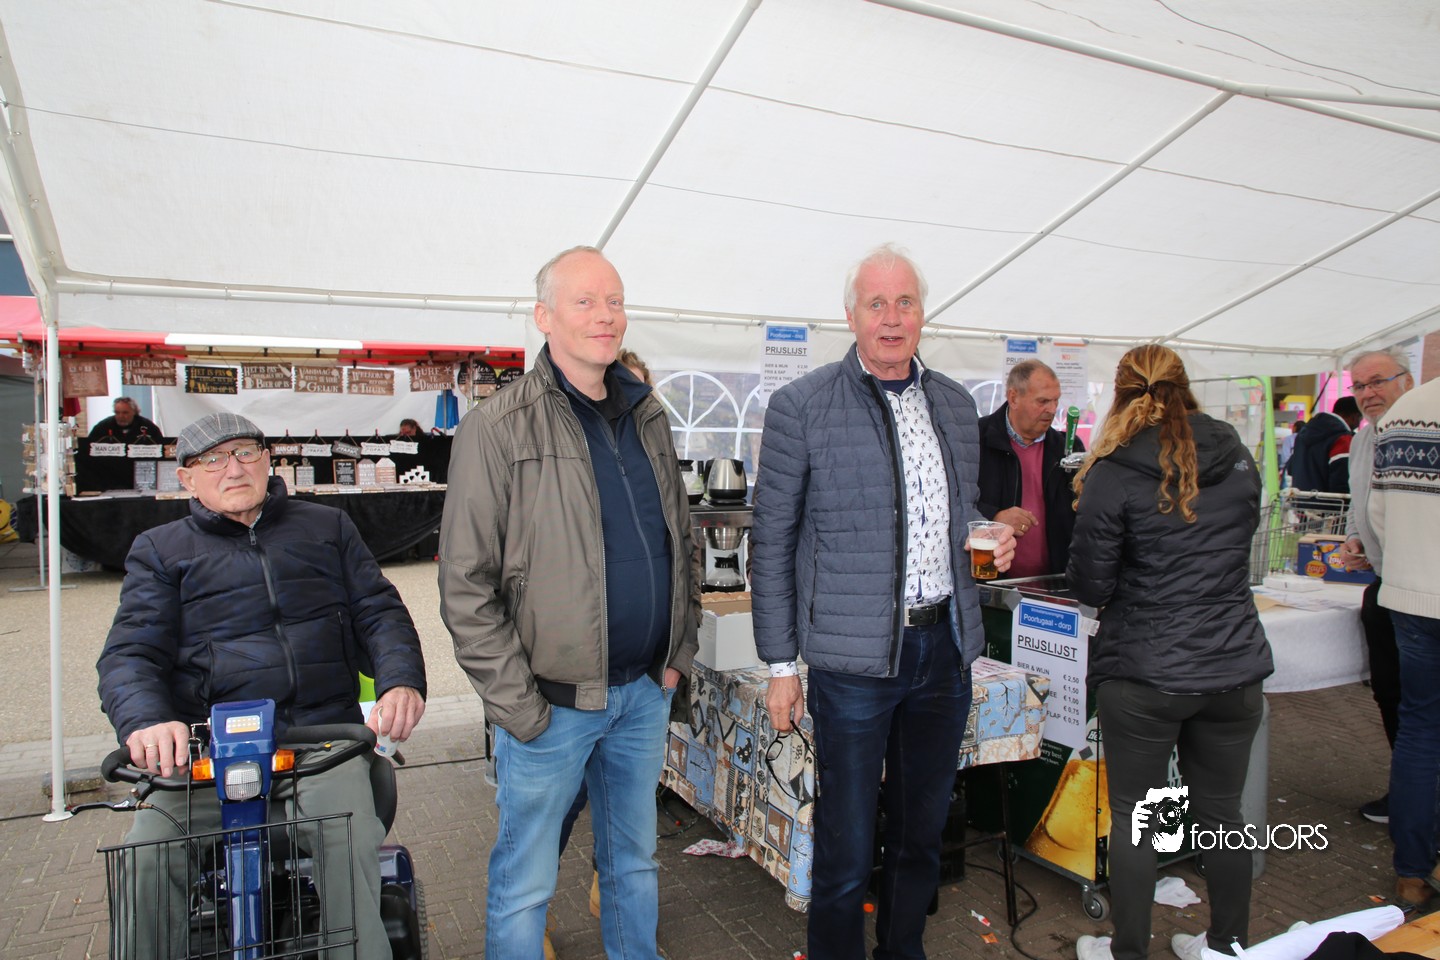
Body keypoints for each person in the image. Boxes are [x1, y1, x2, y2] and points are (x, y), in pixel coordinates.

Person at [751, 243, 1015, 960]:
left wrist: (987, 533)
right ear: (851, 316)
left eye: (905, 303)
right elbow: (771, 540)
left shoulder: (955, 404)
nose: (892, 319)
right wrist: (780, 664)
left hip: (943, 653)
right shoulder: (803, 406)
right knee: (846, 846)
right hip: (852, 663)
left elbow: (957, 512)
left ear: (923, 314)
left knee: (920, 835)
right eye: (877, 304)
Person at [439, 246, 698, 960]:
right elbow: (465, 584)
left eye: (614, 301)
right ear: (544, 317)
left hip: (643, 694)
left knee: (633, 864)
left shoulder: (649, 416)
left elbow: (682, 541)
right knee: (525, 885)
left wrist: (676, 655)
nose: (605, 315)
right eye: (584, 301)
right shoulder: (499, 426)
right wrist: (519, 706)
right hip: (550, 707)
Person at [96, 412, 428, 960]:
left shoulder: (328, 526)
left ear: (268, 459)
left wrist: (400, 682)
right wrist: (147, 721)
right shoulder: (159, 550)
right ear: (186, 479)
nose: (233, 469)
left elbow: (379, 613)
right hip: (209, 754)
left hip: (321, 741)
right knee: (148, 852)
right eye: (213, 459)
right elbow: (130, 653)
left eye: (245, 452)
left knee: (346, 837)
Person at [1066, 345, 1272, 960]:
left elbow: (1090, 585)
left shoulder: (1113, 469)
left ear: (1122, 394)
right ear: (1185, 387)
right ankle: (1226, 946)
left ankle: (1128, 951)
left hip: (1146, 670)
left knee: (1136, 817)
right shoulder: (1237, 455)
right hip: (1232, 667)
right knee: (1222, 814)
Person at [1332, 349, 1415, 825]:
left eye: (1377, 381)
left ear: (1406, 380)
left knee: (1421, 699)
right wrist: (1355, 537)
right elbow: (1359, 502)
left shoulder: (1422, 430)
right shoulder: (1363, 438)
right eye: (1359, 386)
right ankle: (1407, 788)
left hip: (1421, 588)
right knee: (1389, 690)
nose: (1367, 393)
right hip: (1383, 584)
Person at [1367, 373, 1440, 910]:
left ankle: (1412, 871)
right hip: (1414, 592)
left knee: (1419, 730)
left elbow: (1378, 515)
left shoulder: (1402, 413)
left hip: (1411, 594)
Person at [977, 359, 1084, 579]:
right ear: (1013, 398)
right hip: (991, 583)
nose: (1052, 410)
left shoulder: (1069, 448)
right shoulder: (976, 439)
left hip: (1055, 583)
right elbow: (953, 501)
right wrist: (993, 517)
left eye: (1056, 401)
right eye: (1043, 401)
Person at [1285, 396, 1361, 497]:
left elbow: (1290, 468)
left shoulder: (1302, 435)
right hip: (1328, 503)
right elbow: (1341, 481)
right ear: (1354, 417)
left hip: (1300, 501)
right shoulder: (1342, 438)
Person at [88, 396, 161, 442]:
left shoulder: (147, 426)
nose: (121, 416)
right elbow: (89, 445)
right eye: (117, 412)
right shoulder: (103, 426)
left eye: (125, 413)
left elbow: (161, 445)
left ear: (134, 412)